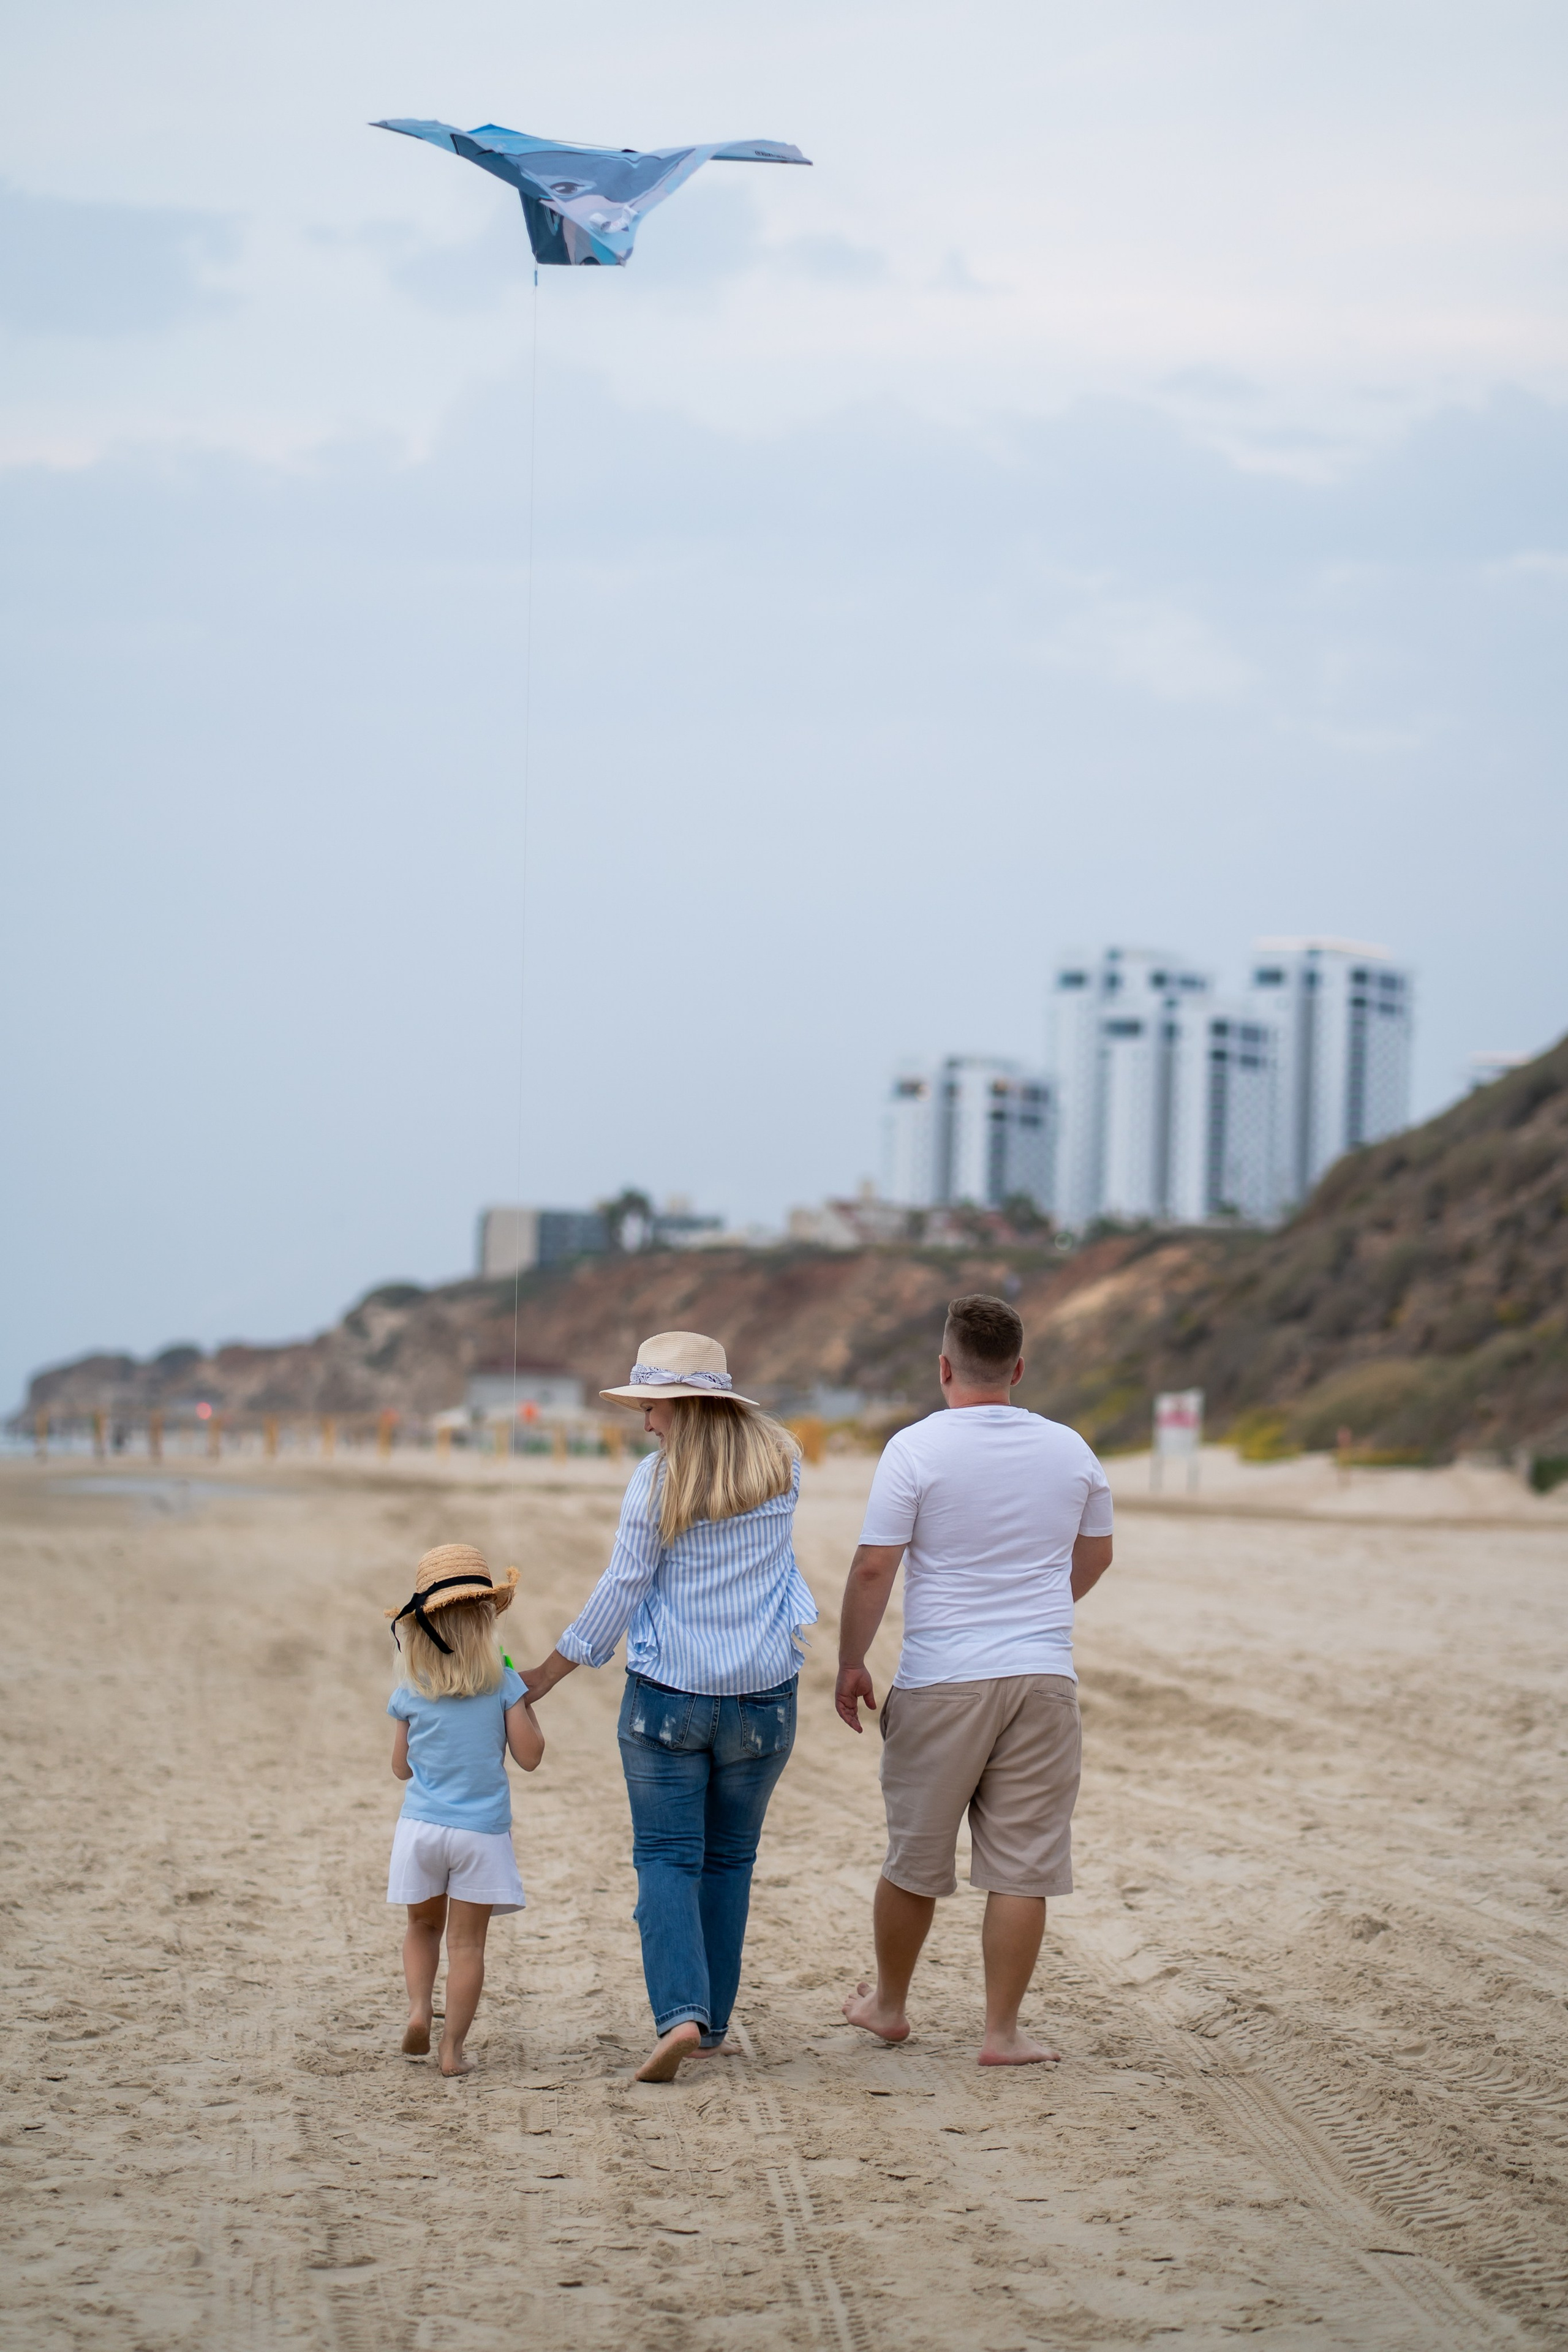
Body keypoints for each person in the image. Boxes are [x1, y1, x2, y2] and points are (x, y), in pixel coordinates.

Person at [519, 1332, 815, 2084]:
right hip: (763, 1698)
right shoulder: (783, 1464)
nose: (646, 1422)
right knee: (729, 1862)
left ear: (680, 1407)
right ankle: (711, 2025)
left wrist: (547, 1675)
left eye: (651, 1406)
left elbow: (621, 1588)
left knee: (665, 1859)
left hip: (669, 1700)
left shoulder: (656, 1482)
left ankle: (679, 2014)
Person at [835, 1293, 1114, 2065]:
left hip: (943, 1677)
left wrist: (851, 1662)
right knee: (1024, 1864)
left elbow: (872, 1567)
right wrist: (1038, 1614)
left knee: (915, 1857)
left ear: (943, 1366)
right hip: (1042, 1675)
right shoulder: (1071, 1450)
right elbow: (1096, 1555)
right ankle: (1000, 2034)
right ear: (1018, 1369)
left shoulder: (914, 1448)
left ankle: (889, 2006)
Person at [384, 1544, 545, 2076]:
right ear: (486, 1620)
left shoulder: (412, 1689)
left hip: (422, 1828)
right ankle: (452, 2051)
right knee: (468, 1944)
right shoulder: (501, 1683)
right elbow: (529, 1757)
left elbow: (401, 1769)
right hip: (480, 1835)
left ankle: (415, 2011)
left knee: (422, 1928)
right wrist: (517, 1697)